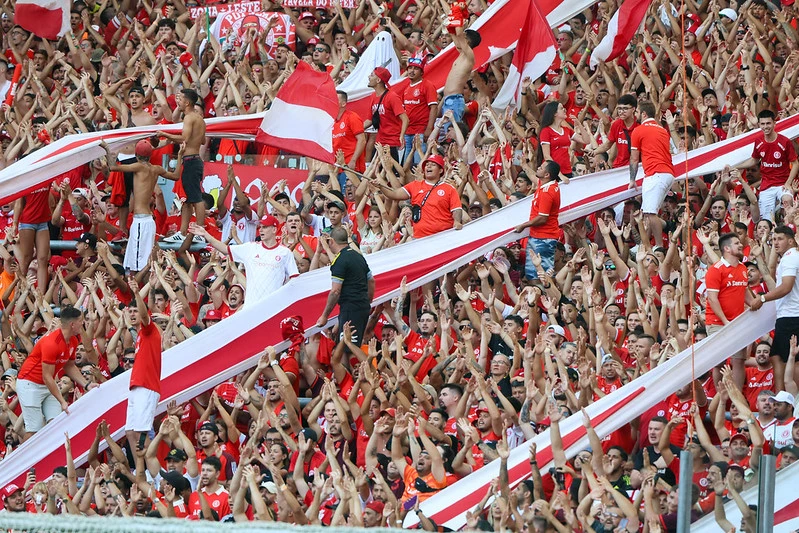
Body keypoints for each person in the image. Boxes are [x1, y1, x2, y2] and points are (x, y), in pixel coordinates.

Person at [15, 306, 98, 440]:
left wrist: (86, 384)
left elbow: (69, 366)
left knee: (56, 424)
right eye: (80, 321)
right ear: (72, 324)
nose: (82, 324)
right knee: (34, 431)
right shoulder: (51, 342)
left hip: (47, 385)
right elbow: (47, 376)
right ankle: (21, 461)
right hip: (30, 384)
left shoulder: (73, 340)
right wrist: (62, 401)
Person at [101, 140, 183, 272]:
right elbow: (176, 176)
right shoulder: (156, 169)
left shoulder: (138, 167)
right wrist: (179, 156)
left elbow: (114, 168)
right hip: (145, 220)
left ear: (137, 155)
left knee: (140, 265)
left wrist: (106, 149)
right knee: (141, 262)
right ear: (150, 155)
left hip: (141, 221)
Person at [190, 214, 299, 308]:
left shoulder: (285, 253)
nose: (260, 230)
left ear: (274, 230)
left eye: (265, 227)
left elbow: (294, 279)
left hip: (274, 307)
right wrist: (206, 235)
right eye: (260, 227)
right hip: (251, 307)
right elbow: (225, 249)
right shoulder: (250, 248)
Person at [750, 226, 799, 392]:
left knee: (793, 359)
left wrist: (762, 298)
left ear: (791, 240)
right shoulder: (788, 258)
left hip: (792, 316)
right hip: (787, 316)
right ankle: (781, 397)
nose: (775, 242)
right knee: (777, 356)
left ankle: (794, 401)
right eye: (774, 239)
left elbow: (786, 287)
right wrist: (759, 258)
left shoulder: (791, 257)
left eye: (780, 239)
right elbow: (774, 283)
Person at [705, 232, 756, 390]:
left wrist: (755, 302)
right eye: (736, 243)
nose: (741, 245)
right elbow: (712, 299)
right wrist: (726, 321)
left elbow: (744, 290)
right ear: (726, 248)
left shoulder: (742, 268)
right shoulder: (715, 270)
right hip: (717, 322)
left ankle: (737, 397)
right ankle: (719, 394)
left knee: (739, 360)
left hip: (737, 322)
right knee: (719, 361)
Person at [159, 89, 208, 244]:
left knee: (196, 198)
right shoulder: (200, 119)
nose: (177, 102)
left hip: (191, 161)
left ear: (187, 103)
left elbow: (184, 138)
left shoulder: (189, 118)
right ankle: (182, 231)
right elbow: (201, 141)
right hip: (193, 160)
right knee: (186, 199)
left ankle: (200, 230)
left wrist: (165, 134)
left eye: (179, 99)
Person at [373, 154, 463, 238]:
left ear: (440, 170)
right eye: (427, 165)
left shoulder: (449, 188)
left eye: (433, 164)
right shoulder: (414, 185)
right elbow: (394, 194)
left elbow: (456, 209)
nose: (428, 166)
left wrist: (457, 221)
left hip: (443, 236)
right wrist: (381, 186)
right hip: (419, 237)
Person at [315, 227, 374, 345]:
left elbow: (335, 291)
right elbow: (371, 281)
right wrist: (367, 301)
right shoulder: (358, 257)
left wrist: (324, 315)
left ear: (331, 241)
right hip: (362, 307)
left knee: (348, 349)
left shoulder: (340, 261)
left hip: (350, 309)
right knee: (352, 346)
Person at [737, 109, 799, 223]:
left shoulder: (784, 142)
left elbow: (795, 164)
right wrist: (736, 166)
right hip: (766, 185)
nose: (766, 126)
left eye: (768, 123)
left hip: (782, 183)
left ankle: (786, 225)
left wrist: (788, 183)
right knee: (766, 220)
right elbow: (754, 160)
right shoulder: (758, 141)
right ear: (759, 124)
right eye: (763, 124)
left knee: (787, 201)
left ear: (774, 123)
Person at [124, 275, 162, 452]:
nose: (132, 314)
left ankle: (153, 476)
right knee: (130, 432)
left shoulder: (150, 330)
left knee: (140, 435)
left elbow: (146, 315)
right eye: (129, 311)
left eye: (135, 311)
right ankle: (141, 474)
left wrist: (138, 293)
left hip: (146, 386)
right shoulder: (139, 335)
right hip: (136, 386)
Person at [629, 101, 675, 248]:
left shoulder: (639, 130)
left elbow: (634, 159)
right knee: (647, 212)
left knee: (649, 213)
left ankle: (659, 247)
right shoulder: (663, 130)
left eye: (636, 112)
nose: (635, 115)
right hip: (668, 174)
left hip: (656, 174)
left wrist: (632, 179)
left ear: (643, 114)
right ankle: (665, 230)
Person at [514, 161, 561, 280]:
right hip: (540, 237)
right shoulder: (546, 184)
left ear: (547, 175)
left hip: (543, 239)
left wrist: (523, 226)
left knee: (539, 276)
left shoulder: (547, 192)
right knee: (533, 274)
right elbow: (533, 177)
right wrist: (524, 164)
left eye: (541, 168)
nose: (538, 168)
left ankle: (544, 297)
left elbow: (542, 218)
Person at [363, 67, 408, 162]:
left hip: (393, 142)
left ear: (378, 80)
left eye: (371, 75)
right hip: (380, 142)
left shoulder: (392, 97)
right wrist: (356, 130)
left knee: (392, 173)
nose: (368, 77)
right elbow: (369, 120)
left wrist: (401, 136)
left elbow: (405, 119)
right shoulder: (373, 96)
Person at [440, 26, 481, 125]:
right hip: (448, 99)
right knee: (448, 134)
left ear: (466, 40)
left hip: (454, 100)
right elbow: (455, 36)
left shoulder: (469, 56)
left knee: (452, 133)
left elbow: (458, 34)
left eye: (463, 36)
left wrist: (457, 19)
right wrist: (450, 27)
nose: (460, 38)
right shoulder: (462, 54)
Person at [587, 94, 638, 168]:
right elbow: (608, 144)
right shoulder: (616, 124)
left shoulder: (640, 125)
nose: (621, 111)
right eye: (619, 108)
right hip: (619, 166)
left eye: (625, 109)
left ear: (633, 109)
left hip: (636, 167)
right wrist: (594, 152)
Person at [332, 90, 367, 173]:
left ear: (343, 104)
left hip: (351, 167)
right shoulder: (332, 121)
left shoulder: (352, 117)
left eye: (335, 100)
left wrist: (353, 160)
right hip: (337, 167)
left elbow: (362, 140)